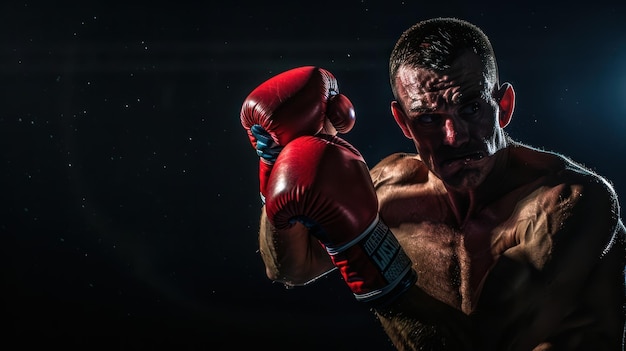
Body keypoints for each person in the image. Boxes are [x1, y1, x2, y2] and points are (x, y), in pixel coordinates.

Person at [240, 17, 626, 350]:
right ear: (403, 124)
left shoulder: (571, 202)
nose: (454, 137)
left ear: (503, 106)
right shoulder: (389, 187)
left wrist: (361, 252)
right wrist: (278, 165)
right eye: (427, 118)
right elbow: (290, 269)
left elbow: (485, 344)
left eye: (471, 107)